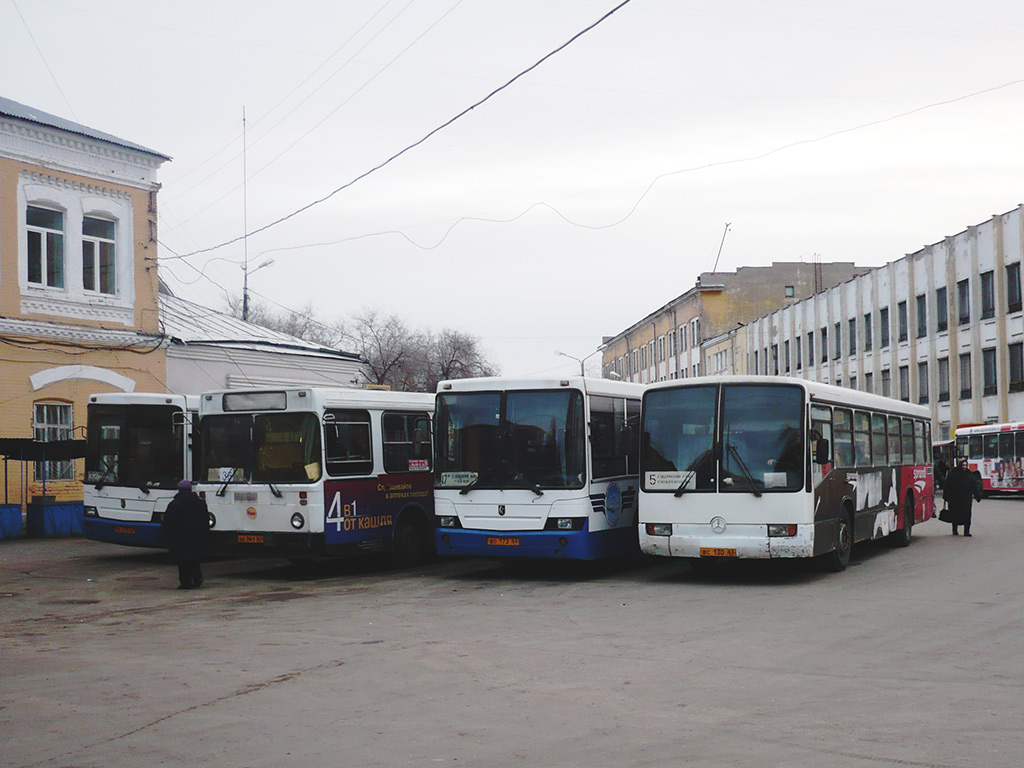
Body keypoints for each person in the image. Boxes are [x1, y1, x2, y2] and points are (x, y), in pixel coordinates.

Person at [161, 479, 209, 589]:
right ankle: (197, 578)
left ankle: (186, 582)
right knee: (194, 559)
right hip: (196, 537)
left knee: (182, 561)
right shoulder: (200, 503)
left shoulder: (175, 504)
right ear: (190, 489)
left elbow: (168, 522)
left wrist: (163, 536)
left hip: (180, 538)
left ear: (179, 490)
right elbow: (205, 521)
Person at [942, 459, 982, 537]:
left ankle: (966, 532)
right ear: (960, 465)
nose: (965, 467)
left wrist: (977, 496)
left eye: (966, 465)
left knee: (967, 515)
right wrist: (946, 496)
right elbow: (947, 486)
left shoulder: (969, 474)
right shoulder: (953, 474)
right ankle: (955, 530)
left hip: (966, 499)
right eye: (963, 465)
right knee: (955, 515)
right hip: (954, 499)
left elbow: (974, 487)